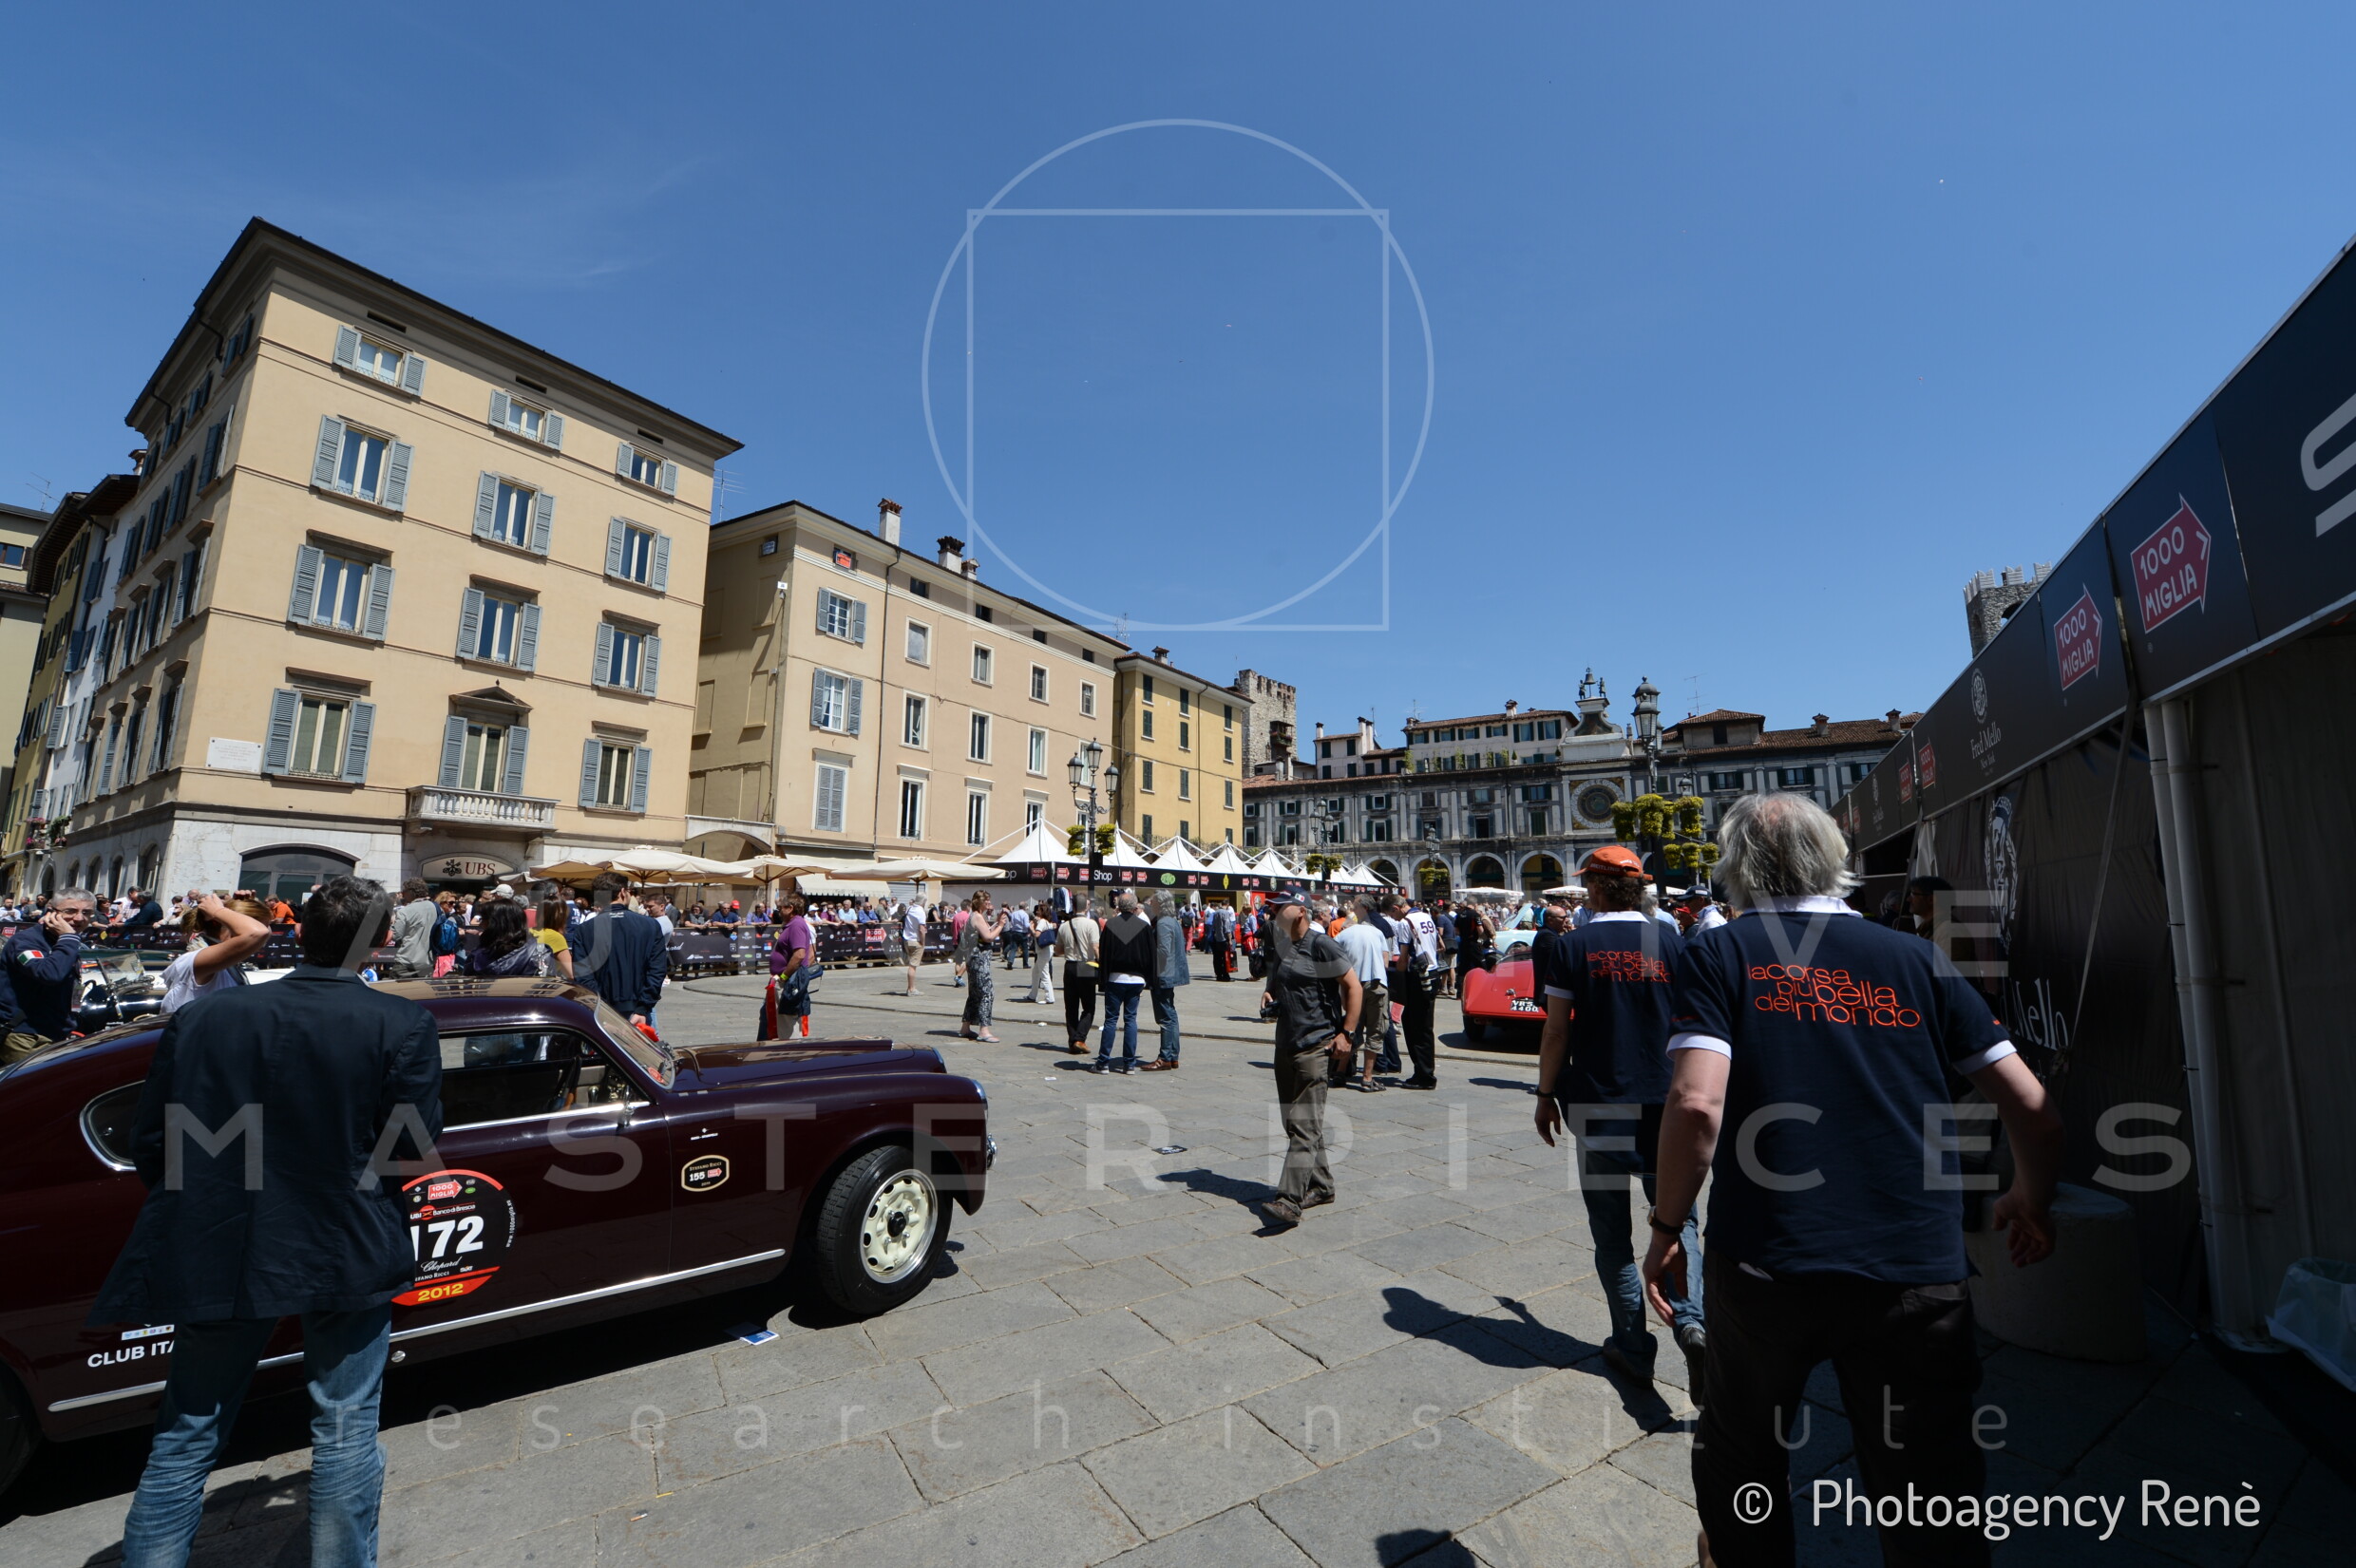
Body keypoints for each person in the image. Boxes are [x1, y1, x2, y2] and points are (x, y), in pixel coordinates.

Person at [1640, 793, 2062, 1568]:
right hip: (1914, 1266)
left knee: (1744, 1456)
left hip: (1768, 1261)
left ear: (1736, 866)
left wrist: (1668, 1227)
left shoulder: (1722, 952)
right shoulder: (1917, 958)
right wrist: (2031, 1195)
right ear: (1835, 858)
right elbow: (2033, 1106)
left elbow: (1696, 1103)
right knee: (1929, 1488)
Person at [94, 876, 440, 1568]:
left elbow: (152, 1142)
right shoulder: (399, 1022)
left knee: (187, 1433)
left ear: (299, 932)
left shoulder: (208, 1017)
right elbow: (410, 1148)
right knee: (345, 1429)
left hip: (220, 1235)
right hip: (342, 1237)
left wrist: (205, 1199)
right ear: (379, 941)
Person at [1530, 843, 1702, 1389]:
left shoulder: (1572, 945)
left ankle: (1632, 1345)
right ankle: (1692, 1323)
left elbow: (1556, 1031)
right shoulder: (1671, 942)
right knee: (1680, 1219)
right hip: (1665, 1102)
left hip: (1598, 1101)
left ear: (1597, 888)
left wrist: (1545, 1093)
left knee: (1611, 1234)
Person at [1259, 899, 1362, 1226]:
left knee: (1304, 1125)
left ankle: (1289, 1200)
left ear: (1301, 910)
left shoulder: (1321, 945)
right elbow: (1279, 984)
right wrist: (1270, 994)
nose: (1273, 911)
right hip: (1286, 1043)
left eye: (1280, 907)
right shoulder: (1284, 946)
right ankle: (1322, 1186)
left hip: (1315, 1044)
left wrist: (1347, 1034)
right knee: (1294, 1122)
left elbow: (1353, 987)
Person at [2, 887, 96, 1062]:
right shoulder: (27, 941)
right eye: (70, 911)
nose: (79, 918)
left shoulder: (65, 940)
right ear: (51, 912)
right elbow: (50, 974)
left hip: (56, 1031)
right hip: (26, 1036)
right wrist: (68, 938)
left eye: (87, 913)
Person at [575, 873, 669, 1029]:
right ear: (623, 892)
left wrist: (599, 1005)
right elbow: (657, 970)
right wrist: (643, 1007)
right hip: (638, 1010)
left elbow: (583, 974)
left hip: (602, 1010)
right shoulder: (650, 925)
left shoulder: (584, 930)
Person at [160, 896, 272, 1014]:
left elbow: (263, 933)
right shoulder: (196, 959)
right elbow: (258, 933)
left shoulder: (225, 962)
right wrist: (218, 911)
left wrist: (251, 904)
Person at [1094, 893, 1155, 1073]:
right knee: (1130, 1020)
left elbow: (1104, 954)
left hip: (1115, 977)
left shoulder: (1111, 925)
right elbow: (1151, 955)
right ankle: (1129, 1064)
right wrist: (1149, 980)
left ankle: (1103, 1062)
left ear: (1119, 907)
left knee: (1111, 1019)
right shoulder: (1144, 927)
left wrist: (1102, 980)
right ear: (1135, 907)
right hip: (1137, 979)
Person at [1335, 900, 1391, 1092]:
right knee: (1375, 1031)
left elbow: (1336, 965)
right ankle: (1367, 1078)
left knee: (1351, 1029)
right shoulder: (1377, 932)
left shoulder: (1342, 935)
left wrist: (1343, 993)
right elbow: (1385, 962)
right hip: (1376, 984)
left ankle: (1340, 1072)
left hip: (1352, 986)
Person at [1386, 893, 1441, 1088]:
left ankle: (1424, 1075)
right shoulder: (1425, 916)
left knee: (1415, 1026)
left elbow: (1403, 957)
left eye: (1392, 915)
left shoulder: (1404, 923)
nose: (1393, 919)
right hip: (1432, 972)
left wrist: (1395, 975)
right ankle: (1425, 1071)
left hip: (1417, 976)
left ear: (1396, 908)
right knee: (1424, 1026)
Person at [1138, 893, 1190, 1071]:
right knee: (1171, 1015)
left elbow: (1163, 951)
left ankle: (1165, 1057)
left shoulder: (1163, 923)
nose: (1150, 904)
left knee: (1165, 1017)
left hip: (1163, 975)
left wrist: (1150, 965)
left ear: (1160, 904)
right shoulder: (1172, 921)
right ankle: (1173, 1056)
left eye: (1152, 902)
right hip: (1170, 973)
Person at [956, 895, 1002, 1042]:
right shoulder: (977, 916)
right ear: (978, 902)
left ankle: (965, 1027)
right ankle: (984, 1030)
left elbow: (982, 934)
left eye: (989, 899)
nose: (989, 902)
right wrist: (1001, 925)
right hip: (979, 960)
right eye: (986, 900)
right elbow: (988, 937)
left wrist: (996, 923)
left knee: (974, 994)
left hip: (974, 959)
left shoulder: (975, 916)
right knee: (986, 993)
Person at [769, 895, 816, 1037]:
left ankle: (790, 1049)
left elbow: (800, 955)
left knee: (788, 1023)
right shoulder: (791, 924)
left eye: (780, 908)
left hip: (789, 980)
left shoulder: (796, 925)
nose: (778, 911)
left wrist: (783, 977)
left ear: (790, 908)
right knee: (783, 1020)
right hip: (785, 978)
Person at [1057, 898, 1101, 1053]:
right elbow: (1096, 947)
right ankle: (1080, 1038)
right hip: (1086, 965)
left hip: (1070, 965)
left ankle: (1072, 1041)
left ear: (1073, 907)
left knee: (1071, 1006)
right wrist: (1101, 963)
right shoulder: (1091, 924)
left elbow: (1058, 950)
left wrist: (1071, 948)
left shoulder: (1064, 926)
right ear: (1086, 907)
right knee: (1088, 1006)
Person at [466, 899, 551, 977]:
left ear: (498, 923)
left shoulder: (537, 953)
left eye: (484, 919)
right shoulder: (479, 952)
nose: (481, 924)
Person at [387, 878, 436, 979]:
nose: (402, 893)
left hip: (407, 961)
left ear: (411, 892)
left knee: (395, 988)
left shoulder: (404, 911)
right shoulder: (436, 908)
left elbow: (396, 935)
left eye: (404, 891)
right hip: (427, 962)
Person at [1029, 903, 1058, 1005]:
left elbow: (1037, 934)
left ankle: (1049, 997)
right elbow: (1053, 926)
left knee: (1044, 974)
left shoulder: (1042, 922)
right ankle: (1032, 995)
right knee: (1035, 973)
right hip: (1047, 950)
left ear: (1042, 912)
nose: (1037, 911)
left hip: (1043, 951)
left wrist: (1032, 928)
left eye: (1039, 910)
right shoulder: (1047, 921)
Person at [899, 895, 928, 994]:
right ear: (923, 901)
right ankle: (911, 989)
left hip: (907, 939)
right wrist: (923, 942)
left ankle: (911, 988)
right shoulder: (920, 911)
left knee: (911, 964)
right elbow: (922, 929)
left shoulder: (910, 908)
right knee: (913, 966)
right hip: (916, 940)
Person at [1202, 900, 1236, 981]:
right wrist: (1230, 939)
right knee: (1225, 958)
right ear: (1227, 905)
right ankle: (1226, 975)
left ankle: (1219, 975)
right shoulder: (1226, 913)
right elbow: (1227, 927)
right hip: (1224, 939)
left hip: (1216, 938)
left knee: (1217, 958)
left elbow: (1212, 924)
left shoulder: (1216, 912)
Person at [1001, 899, 1032, 970]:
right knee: (1025, 949)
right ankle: (1025, 964)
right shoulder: (1025, 914)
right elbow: (1026, 925)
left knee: (1013, 949)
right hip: (1023, 932)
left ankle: (1010, 962)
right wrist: (1031, 924)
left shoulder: (1014, 913)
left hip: (1014, 931)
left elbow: (1012, 922)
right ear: (1025, 907)